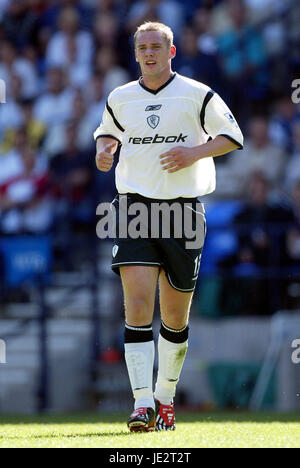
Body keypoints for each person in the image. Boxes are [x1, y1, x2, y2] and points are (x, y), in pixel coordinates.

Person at [94, 22, 243, 432]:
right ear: (136, 53)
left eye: (156, 46)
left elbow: (232, 135)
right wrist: (104, 153)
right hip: (134, 209)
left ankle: (165, 399)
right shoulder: (119, 97)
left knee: (175, 318)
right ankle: (141, 403)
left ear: (171, 51)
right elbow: (105, 138)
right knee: (138, 306)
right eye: (141, 47)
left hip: (183, 213)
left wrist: (194, 152)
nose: (148, 53)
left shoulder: (197, 93)